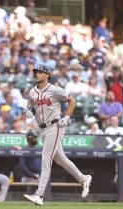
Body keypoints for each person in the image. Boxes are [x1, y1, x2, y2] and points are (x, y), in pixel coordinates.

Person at [23, 64, 92, 206]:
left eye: (41, 72)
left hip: (55, 126)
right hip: (42, 129)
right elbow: (30, 104)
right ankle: (83, 178)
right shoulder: (32, 92)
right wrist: (29, 110)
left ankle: (39, 195)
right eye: (36, 72)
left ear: (48, 75)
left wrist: (66, 117)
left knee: (45, 159)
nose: (37, 74)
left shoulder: (54, 90)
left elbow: (72, 100)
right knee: (61, 160)